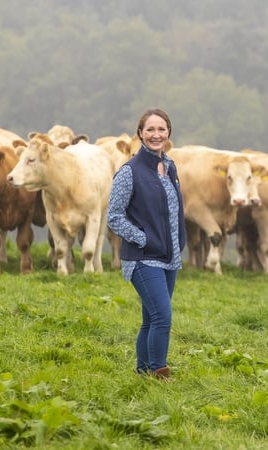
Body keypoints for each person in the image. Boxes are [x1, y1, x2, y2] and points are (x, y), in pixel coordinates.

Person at [107, 108, 186, 380]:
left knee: (151, 319)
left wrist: (178, 242)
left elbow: (172, 211)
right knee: (163, 317)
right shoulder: (129, 172)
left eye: (161, 129)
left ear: (168, 133)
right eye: (150, 130)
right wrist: (143, 238)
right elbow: (113, 217)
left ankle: (142, 372)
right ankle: (159, 373)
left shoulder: (170, 167)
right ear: (140, 134)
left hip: (169, 257)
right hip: (143, 258)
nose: (156, 135)